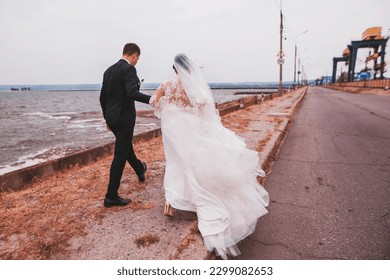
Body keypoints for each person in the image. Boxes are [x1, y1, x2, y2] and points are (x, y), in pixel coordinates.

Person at [149, 54, 269, 259]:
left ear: (174, 69)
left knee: (175, 163)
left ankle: (171, 202)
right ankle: (185, 199)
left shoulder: (167, 84)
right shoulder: (195, 87)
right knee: (191, 164)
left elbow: (153, 101)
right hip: (192, 131)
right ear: (189, 69)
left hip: (173, 131)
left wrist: (167, 106)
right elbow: (205, 110)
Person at [100, 43, 151, 208]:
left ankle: (139, 169)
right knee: (120, 154)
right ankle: (111, 196)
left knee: (125, 148)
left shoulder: (108, 71)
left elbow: (103, 98)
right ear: (134, 55)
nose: (137, 62)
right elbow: (131, 93)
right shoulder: (129, 70)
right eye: (138, 58)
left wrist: (107, 118)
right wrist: (152, 100)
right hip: (125, 120)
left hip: (113, 119)